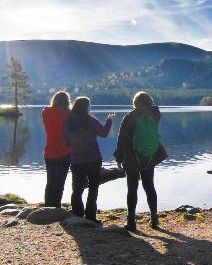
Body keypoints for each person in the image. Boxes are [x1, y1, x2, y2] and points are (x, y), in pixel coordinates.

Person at [114, 91, 166, 231]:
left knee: (132, 189)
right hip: (149, 156)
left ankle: (131, 222)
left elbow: (122, 140)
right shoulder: (155, 114)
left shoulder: (130, 117)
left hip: (132, 157)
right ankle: (154, 219)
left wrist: (118, 158)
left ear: (135, 103)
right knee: (149, 186)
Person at [64, 97, 115, 224]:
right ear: (86, 107)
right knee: (93, 188)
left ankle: (77, 215)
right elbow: (103, 133)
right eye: (89, 105)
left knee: (77, 189)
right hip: (93, 159)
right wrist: (109, 120)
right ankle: (91, 216)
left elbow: (65, 142)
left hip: (76, 160)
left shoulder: (68, 121)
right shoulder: (90, 120)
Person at [42, 91, 71, 207]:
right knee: (60, 182)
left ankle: (48, 206)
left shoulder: (45, 112)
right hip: (64, 152)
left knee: (50, 181)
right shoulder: (68, 113)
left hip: (49, 151)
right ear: (67, 102)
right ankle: (56, 207)